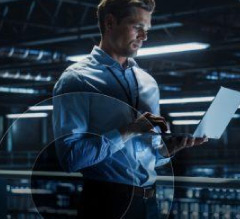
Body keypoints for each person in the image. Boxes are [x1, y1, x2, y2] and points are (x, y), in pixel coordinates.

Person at [52, 0, 207, 218]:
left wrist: (165, 152)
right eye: (137, 27)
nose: (144, 37)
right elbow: (71, 158)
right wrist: (130, 130)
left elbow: (147, 154)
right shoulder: (77, 79)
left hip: (149, 202)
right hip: (105, 204)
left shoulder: (148, 82)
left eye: (147, 30)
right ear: (110, 23)